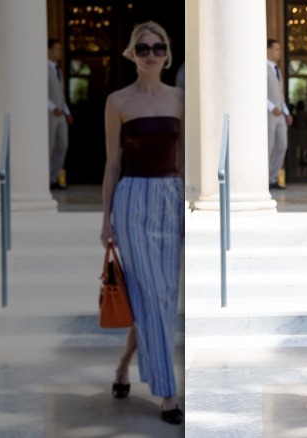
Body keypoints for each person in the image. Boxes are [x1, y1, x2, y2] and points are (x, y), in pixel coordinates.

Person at [99, 21, 184, 425]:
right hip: (131, 200)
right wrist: (105, 219)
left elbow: (183, 160)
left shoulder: (181, 99)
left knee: (161, 296)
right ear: (132, 54)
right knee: (151, 291)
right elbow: (112, 164)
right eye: (143, 48)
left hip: (169, 197)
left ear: (167, 54)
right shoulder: (118, 101)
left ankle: (122, 366)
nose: (151, 54)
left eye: (158, 47)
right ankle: (167, 391)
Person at [267, 39, 293, 190]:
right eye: (277, 49)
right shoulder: (262, 68)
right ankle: (264, 180)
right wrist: (271, 107)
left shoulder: (278, 70)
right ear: (268, 50)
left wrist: (287, 112)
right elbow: (259, 91)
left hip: (280, 115)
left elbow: (280, 94)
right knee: (269, 146)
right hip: (269, 114)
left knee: (282, 145)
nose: (280, 52)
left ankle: (273, 178)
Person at [48, 38, 73, 190]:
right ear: (49, 50)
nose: (60, 52)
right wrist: (51, 107)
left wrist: (67, 112)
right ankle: (44, 180)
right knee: (49, 145)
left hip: (61, 114)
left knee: (63, 144)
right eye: (57, 49)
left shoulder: (58, 70)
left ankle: (54, 177)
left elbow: (60, 94)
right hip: (49, 114)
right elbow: (38, 90)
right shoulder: (42, 68)